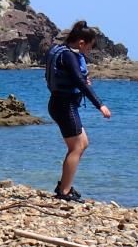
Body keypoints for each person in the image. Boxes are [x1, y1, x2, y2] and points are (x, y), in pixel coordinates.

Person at [45, 20, 111, 202]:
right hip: (64, 106)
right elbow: (79, 82)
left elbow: (74, 77)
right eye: (89, 48)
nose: (88, 51)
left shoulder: (61, 51)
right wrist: (100, 105)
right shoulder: (68, 56)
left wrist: (82, 79)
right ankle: (64, 191)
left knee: (83, 143)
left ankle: (63, 185)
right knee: (76, 147)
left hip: (61, 104)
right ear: (81, 43)